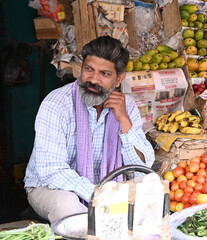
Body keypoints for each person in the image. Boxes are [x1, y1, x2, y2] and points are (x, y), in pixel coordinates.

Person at [24, 36, 155, 223]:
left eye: (105, 74)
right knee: (67, 205)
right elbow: (51, 171)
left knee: (149, 191)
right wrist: (98, 193)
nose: (93, 79)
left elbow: (142, 168)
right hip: (51, 188)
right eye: (89, 69)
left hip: (106, 188)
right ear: (81, 68)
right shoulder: (56, 104)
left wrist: (124, 121)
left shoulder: (126, 107)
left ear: (119, 79)